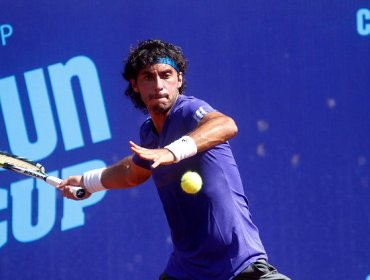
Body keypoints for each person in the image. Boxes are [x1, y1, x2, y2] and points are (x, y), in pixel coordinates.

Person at [59, 39, 290, 280]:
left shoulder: (190, 111)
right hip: (187, 271)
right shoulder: (149, 133)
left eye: (166, 75)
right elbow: (133, 171)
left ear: (179, 80)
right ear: (135, 85)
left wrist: (172, 151)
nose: (158, 85)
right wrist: (88, 182)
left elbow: (225, 125)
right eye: (148, 77)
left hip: (239, 266)